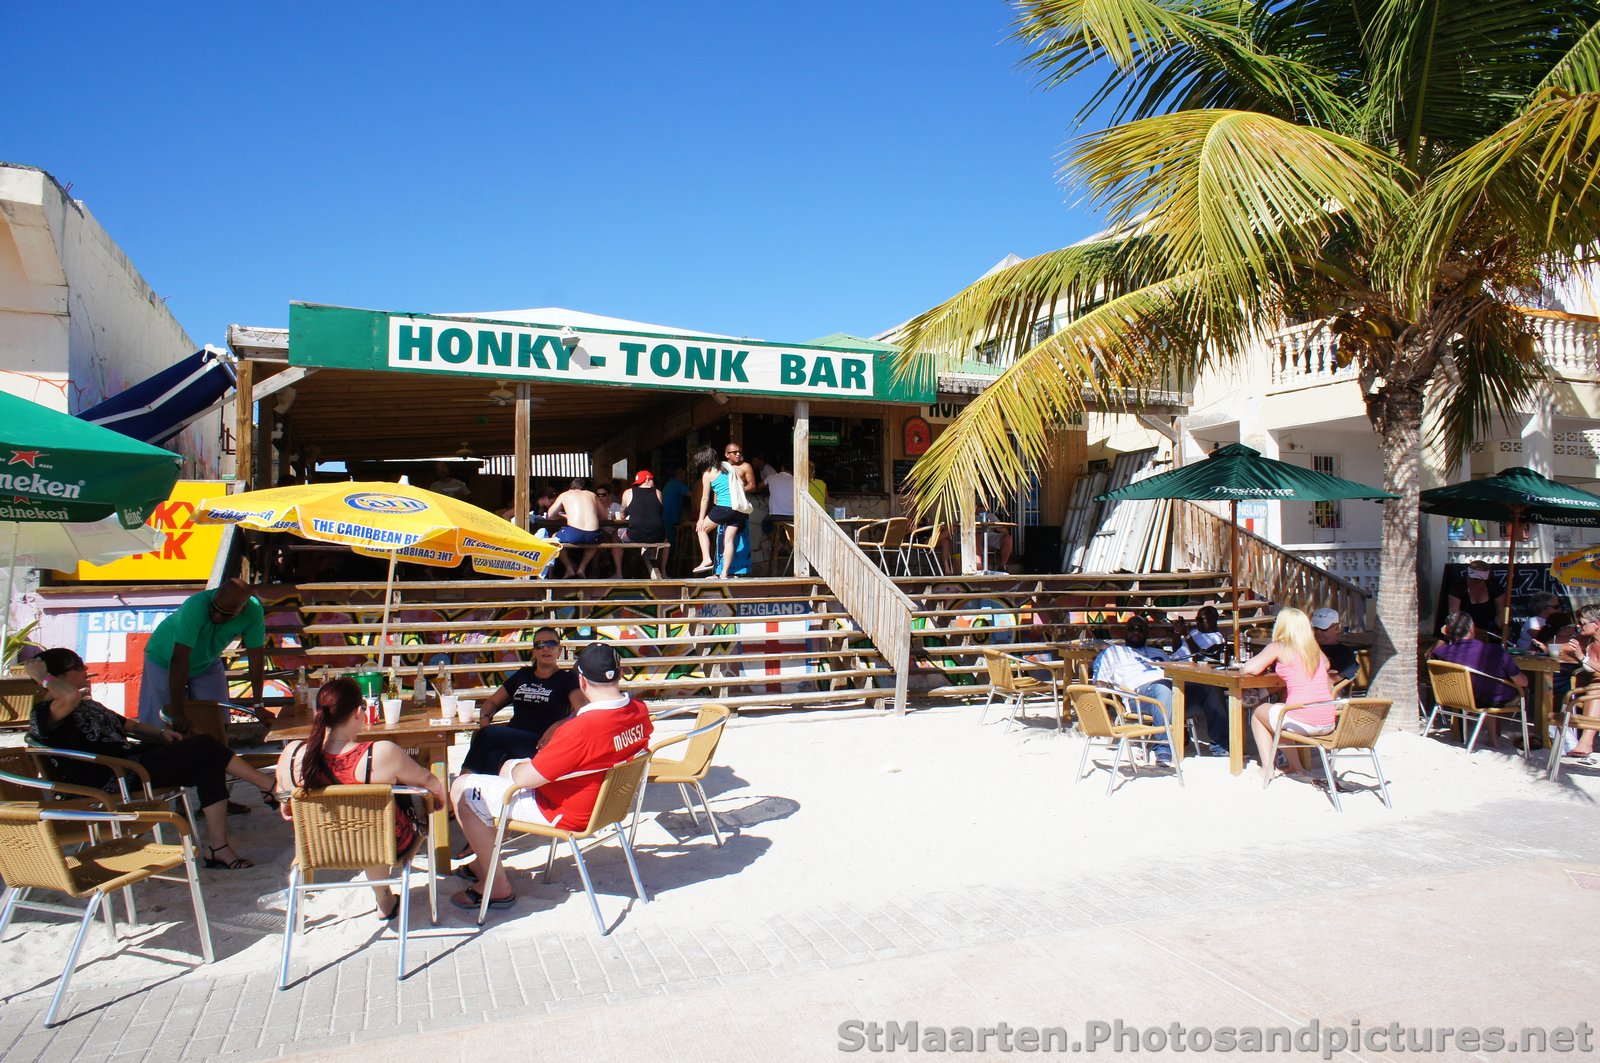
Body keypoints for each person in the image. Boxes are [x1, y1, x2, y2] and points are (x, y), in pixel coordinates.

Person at [28, 647, 277, 869]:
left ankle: (218, 848)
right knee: (203, 745)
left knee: (208, 764)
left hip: (134, 767)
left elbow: (132, 727)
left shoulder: (87, 705)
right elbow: (68, 696)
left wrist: (161, 733)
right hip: (112, 778)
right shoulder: (45, 714)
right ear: (57, 678)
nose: (86, 669)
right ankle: (267, 785)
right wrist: (42, 677)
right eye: (78, 667)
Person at [449, 643, 653, 912]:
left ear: (581, 680)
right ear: (621, 672)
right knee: (504, 775)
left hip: (565, 811)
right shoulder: (638, 710)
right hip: (606, 805)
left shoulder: (581, 730)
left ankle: (496, 887)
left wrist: (515, 768)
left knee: (462, 789)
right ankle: (481, 863)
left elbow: (525, 780)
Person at [274, 677, 447, 918]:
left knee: (370, 824)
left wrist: (286, 803)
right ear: (359, 712)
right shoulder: (380, 753)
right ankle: (383, 898)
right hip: (379, 843)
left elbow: (283, 798)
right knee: (375, 822)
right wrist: (438, 801)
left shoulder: (292, 755)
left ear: (318, 713)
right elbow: (429, 782)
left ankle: (383, 897)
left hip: (319, 846)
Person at [138, 577, 266, 728]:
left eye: (226, 614)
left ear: (243, 609)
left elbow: (256, 657)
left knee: (218, 720)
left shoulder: (254, 611)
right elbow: (179, 659)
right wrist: (178, 712)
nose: (217, 616)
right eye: (215, 609)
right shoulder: (196, 605)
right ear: (215, 595)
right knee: (161, 723)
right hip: (164, 659)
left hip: (207, 661)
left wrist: (259, 705)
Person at [459, 627, 584, 777]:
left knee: (488, 737)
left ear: (559, 649)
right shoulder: (522, 675)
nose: (545, 649)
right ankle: (486, 796)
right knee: (493, 754)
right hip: (512, 735)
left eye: (551, 644)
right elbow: (491, 703)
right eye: (540, 645)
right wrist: (484, 719)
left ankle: (463, 782)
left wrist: (559, 725)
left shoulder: (568, 678)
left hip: (540, 741)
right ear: (534, 651)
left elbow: (583, 711)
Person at [1242, 607, 1336, 781]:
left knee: (1258, 713)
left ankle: (1267, 768)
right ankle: (1297, 768)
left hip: (1303, 721)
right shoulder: (1313, 649)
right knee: (1282, 714)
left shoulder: (1279, 647)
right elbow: (1327, 665)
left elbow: (1251, 668)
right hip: (1328, 722)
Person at [1429, 610, 1526, 748]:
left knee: (1485, 689)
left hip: (1457, 696)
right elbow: (1521, 682)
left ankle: (1492, 738)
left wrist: (1445, 636)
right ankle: (1506, 738)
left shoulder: (1441, 652)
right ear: (1472, 627)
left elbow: (1431, 653)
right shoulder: (1494, 651)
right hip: (1491, 698)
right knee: (1505, 690)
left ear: (1447, 630)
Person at [1091, 615, 1176, 766]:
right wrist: (1102, 713)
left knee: (1207, 689)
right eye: (1132, 628)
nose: (1136, 632)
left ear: (1147, 632)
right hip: (1139, 698)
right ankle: (1163, 748)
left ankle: (1221, 745)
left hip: (1172, 690)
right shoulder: (1114, 652)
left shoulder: (1159, 653)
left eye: (1141, 629)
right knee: (1162, 688)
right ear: (1126, 631)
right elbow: (1100, 684)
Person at [1166, 605, 1229, 756]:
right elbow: (1177, 649)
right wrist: (1177, 632)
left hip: (1190, 675)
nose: (1198, 623)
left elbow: (1200, 655)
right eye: (1196, 619)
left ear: (1213, 620)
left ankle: (1220, 743)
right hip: (1173, 666)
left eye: (1201, 619)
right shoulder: (1196, 632)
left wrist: (1187, 635)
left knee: (1212, 692)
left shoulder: (1216, 637)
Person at [694, 442, 757, 578]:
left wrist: (700, 519)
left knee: (702, 529)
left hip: (724, 507)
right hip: (738, 510)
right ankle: (724, 574)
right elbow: (740, 484)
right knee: (729, 541)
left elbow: (705, 499)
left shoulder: (707, 474)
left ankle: (706, 559)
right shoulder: (728, 466)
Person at [547, 479, 606, 577]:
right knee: (595, 541)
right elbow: (604, 516)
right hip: (593, 535)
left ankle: (569, 568)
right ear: (585, 488)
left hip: (573, 533)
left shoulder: (565, 494)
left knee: (554, 538)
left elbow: (550, 515)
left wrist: (565, 516)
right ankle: (582, 568)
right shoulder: (592, 495)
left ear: (570, 488)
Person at [615, 470, 666, 580]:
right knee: (665, 540)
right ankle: (663, 572)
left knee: (615, 536)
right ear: (648, 480)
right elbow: (658, 513)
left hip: (634, 535)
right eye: (652, 480)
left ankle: (619, 573)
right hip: (656, 536)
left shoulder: (628, 493)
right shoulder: (658, 493)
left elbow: (622, 515)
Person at [1446, 560, 1508, 641]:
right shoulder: (1458, 587)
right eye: (1474, 577)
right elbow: (1454, 613)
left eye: (1481, 577)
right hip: (1465, 630)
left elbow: (1501, 610)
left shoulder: (1494, 587)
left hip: (1489, 631)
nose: (1477, 580)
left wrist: (1496, 627)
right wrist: (1462, 631)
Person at [1309, 607, 1360, 683]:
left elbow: (1336, 678)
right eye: (1315, 628)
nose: (1318, 632)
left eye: (1323, 629)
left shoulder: (1344, 652)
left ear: (1336, 628)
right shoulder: (1306, 649)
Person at [763, 460, 795, 535]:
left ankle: (774, 543)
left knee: (764, 524)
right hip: (793, 517)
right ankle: (782, 542)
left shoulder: (771, 477)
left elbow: (759, 486)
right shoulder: (796, 480)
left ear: (782, 468)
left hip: (775, 517)